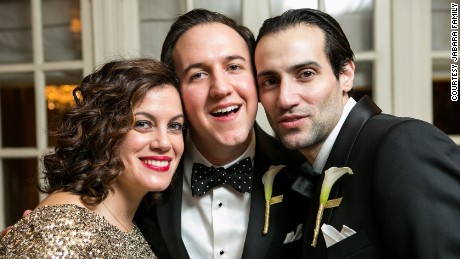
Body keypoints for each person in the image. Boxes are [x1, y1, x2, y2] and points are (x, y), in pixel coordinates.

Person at [254, 8, 460, 259]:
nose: (285, 99)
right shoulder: (304, 168)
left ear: (346, 75)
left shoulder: (404, 145)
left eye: (306, 74)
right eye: (270, 81)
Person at [134, 9, 308, 259]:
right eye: (198, 74)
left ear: (256, 79)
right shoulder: (143, 180)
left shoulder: (304, 173)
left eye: (234, 67)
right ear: (176, 91)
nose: (221, 88)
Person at [0, 58, 185, 258]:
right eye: (143, 124)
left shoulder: (125, 220)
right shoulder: (65, 230)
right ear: (103, 131)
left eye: (174, 126)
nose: (164, 143)